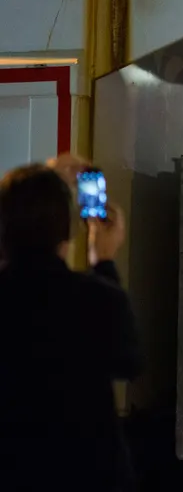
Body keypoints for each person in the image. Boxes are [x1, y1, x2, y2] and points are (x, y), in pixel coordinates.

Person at [0, 154, 139, 492]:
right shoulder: (95, 298)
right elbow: (129, 362)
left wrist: (34, 188)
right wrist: (103, 262)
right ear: (66, 231)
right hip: (88, 475)